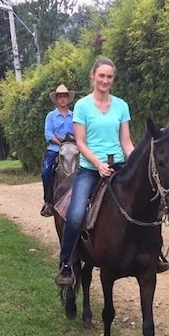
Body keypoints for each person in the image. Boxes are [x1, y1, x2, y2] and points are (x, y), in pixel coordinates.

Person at [55, 58, 135, 285]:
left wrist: (137, 162)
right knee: (77, 213)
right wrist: (98, 164)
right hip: (91, 170)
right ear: (93, 76)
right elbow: (80, 143)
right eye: (101, 76)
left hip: (119, 168)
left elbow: (126, 142)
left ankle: (152, 255)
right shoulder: (82, 106)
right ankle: (67, 265)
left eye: (109, 77)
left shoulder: (121, 106)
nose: (105, 80)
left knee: (147, 205)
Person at [40, 84, 76, 217]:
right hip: (55, 149)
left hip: (73, 148)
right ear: (57, 99)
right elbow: (48, 134)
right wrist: (60, 142)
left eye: (64, 97)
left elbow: (79, 131)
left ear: (68, 99)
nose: (62, 99)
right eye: (60, 97)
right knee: (46, 172)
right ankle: (48, 202)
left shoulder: (74, 115)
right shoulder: (51, 116)